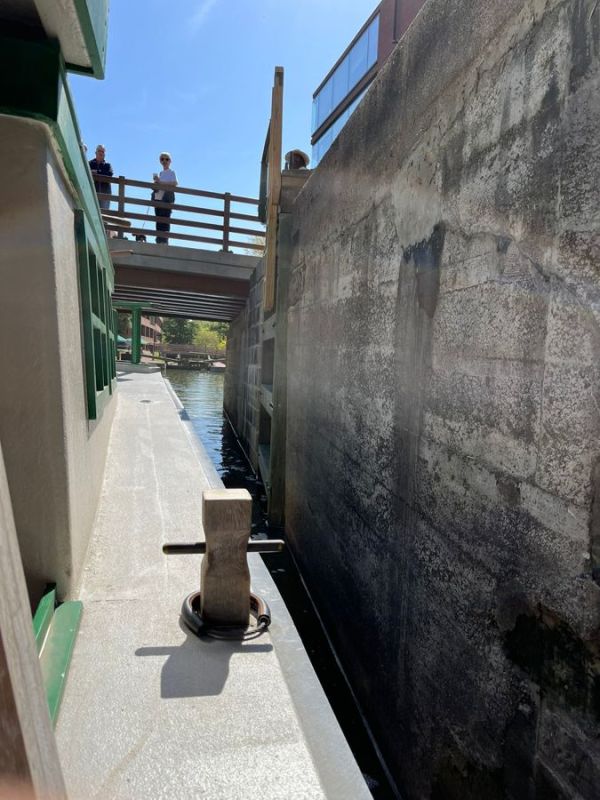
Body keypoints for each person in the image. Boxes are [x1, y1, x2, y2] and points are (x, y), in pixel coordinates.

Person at [153, 152, 177, 244]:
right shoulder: (161, 173)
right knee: (158, 219)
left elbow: (175, 183)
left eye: (166, 159)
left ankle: (164, 241)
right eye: (162, 159)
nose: (164, 161)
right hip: (159, 197)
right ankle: (159, 240)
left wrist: (161, 182)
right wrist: (156, 183)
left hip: (167, 198)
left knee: (165, 219)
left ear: (170, 161)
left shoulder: (172, 172)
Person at [88, 145, 113, 210]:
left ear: (104, 154)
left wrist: (96, 172)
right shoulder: (89, 164)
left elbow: (110, 174)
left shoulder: (108, 165)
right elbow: (85, 171)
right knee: (90, 210)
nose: (101, 153)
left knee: (104, 215)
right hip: (91, 193)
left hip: (104, 194)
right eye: (99, 151)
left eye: (103, 151)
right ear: (95, 152)